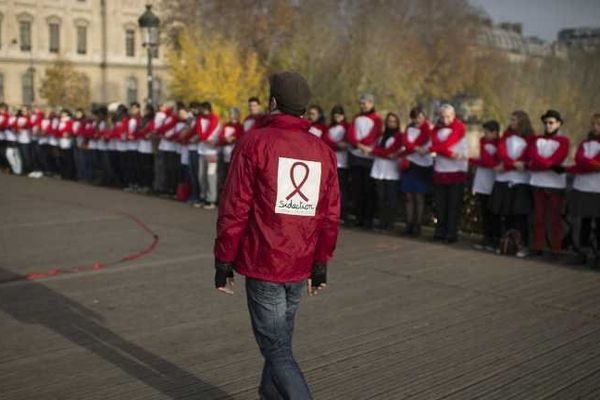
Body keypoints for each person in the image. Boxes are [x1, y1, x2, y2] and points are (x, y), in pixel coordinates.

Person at [214, 71, 340, 399]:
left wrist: (223, 259)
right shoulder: (323, 150)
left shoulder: (255, 142)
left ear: (272, 103)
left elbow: (235, 206)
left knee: (278, 350)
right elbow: (330, 214)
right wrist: (321, 262)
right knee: (279, 342)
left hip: (264, 261)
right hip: (300, 262)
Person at [489, 110, 534, 257]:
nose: (512, 123)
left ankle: (521, 245)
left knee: (519, 216)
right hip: (505, 178)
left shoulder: (530, 138)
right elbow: (501, 153)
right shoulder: (506, 137)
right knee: (506, 214)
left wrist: (515, 164)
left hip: (521, 180)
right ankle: (506, 245)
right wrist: (512, 164)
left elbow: (528, 157)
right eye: (511, 119)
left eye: (514, 120)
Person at [528, 110, 570, 258]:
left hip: (556, 184)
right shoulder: (536, 139)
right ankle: (537, 246)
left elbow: (558, 158)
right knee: (538, 217)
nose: (548, 125)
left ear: (558, 124)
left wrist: (540, 165)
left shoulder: (564, 141)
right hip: (538, 182)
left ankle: (556, 248)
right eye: (546, 123)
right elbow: (533, 156)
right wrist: (548, 166)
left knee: (554, 218)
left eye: (551, 123)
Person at [430, 104, 468, 243]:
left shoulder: (459, 128)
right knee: (440, 205)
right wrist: (447, 153)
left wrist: (437, 149)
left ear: (453, 115)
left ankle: (451, 233)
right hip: (441, 170)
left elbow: (444, 145)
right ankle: (439, 231)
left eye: (448, 116)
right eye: (442, 116)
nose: (445, 120)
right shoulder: (436, 130)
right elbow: (437, 146)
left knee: (453, 205)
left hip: (456, 171)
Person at [359, 112, 403, 231]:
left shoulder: (399, 136)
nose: (391, 123)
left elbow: (390, 153)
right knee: (380, 198)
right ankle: (382, 222)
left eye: (394, 121)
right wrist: (371, 150)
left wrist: (372, 150)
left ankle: (389, 223)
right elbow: (380, 151)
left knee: (390, 198)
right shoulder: (381, 136)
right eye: (389, 121)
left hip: (391, 171)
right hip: (379, 169)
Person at [567, 113, 600, 268]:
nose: (594, 127)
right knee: (582, 223)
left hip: (597, 189)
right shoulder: (584, 143)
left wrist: (588, 164)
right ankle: (581, 252)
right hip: (582, 187)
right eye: (593, 124)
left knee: (598, 224)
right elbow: (579, 159)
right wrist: (592, 165)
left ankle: (597, 254)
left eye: (598, 125)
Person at [347, 93, 383, 229]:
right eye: (361, 103)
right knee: (357, 189)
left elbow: (374, 134)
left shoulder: (377, 119)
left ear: (371, 103)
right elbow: (350, 134)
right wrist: (357, 145)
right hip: (356, 155)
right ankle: (358, 217)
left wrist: (361, 144)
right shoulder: (356, 117)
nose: (363, 106)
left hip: (368, 156)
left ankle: (368, 219)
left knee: (368, 189)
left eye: (365, 103)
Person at [400, 106, 433, 236]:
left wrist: (416, 148)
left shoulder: (429, 130)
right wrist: (414, 147)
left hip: (422, 164)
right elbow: (406, 144)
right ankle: (408, 223)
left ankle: (417, 225)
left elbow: (427, 144)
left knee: (419, 196)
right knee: (408, 195)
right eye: (415, 117)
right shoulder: (409, 129)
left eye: (420, 117)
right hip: (410, 163)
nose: (418, 120)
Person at [470, 120, 501, 251]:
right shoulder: (482, 142)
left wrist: (472, 160)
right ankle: (486, 237)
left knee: (493, 212)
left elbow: (490, 162)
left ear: (494, 133)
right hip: (482, 180)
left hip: (493, 180)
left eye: (487, 132)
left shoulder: (499, 144)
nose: (485, 134)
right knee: (484, 211)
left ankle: (495, 238)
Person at [322, 105, 350, 221]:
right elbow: (326, 141)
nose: (337, 118)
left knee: (341, 189)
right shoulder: (329, 128)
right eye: (335, 116)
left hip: (342, 162)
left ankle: (342, 213)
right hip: (330, 161)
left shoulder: (346, 127)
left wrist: (335, 145)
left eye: (339, 116)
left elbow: (346, 144)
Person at [195, 101, 221, 209]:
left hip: (212, 153)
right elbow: (199, 133)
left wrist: (208, 140)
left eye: (203, 109)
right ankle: (203, 197)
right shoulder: (200, 119)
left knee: (211, 176)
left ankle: (211, 200)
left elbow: (216, 134)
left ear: (208, 109)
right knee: (201, 176)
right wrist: (203, 139)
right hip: (202, 151)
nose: (202, 111)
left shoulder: (215, 119)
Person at [218, 107, 243, 182]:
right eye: (230, 114)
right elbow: (220, 136)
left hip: (234, 155)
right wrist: (225, 139)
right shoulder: (226, 125)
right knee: (224, 175)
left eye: (233, 114)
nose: (231, 116)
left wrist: (233, 139)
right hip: (224, 154)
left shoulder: (240, 126)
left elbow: (241, 137)